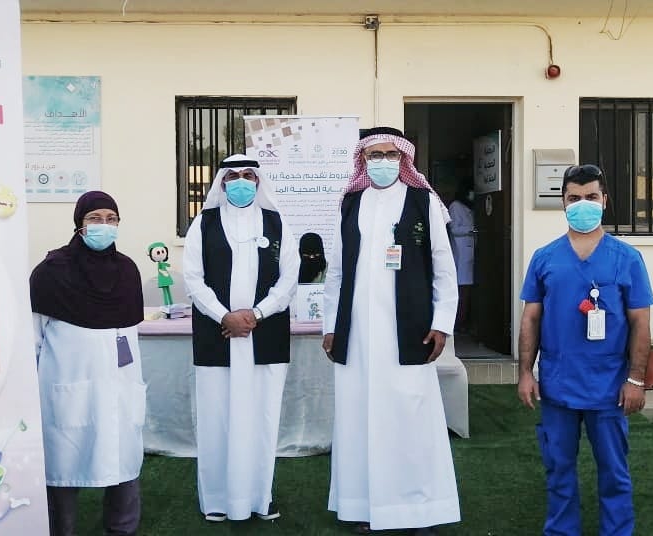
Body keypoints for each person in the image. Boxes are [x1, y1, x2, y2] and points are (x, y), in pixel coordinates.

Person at [321, 127, 460, 535]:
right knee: (359, 417)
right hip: (357, 335)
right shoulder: (351, 203)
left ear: (404, 159)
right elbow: (336, 272)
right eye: (374, 155)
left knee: (411, 417)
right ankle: (363, 507)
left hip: (409, 330)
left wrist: (441, 323)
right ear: (362, 161)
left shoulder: (423, 201)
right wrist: (331, 326)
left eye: (390, 154)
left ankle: (419, 510)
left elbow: (443, 268)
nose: (382, 162)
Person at [516, 164, 653, 536]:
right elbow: (531, 318)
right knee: (559, 470)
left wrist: (635, 380)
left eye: (591, 197)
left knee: (614, 471)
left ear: (604, 200)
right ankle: (562, 531)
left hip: (609, 387)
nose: (583, 205)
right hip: (558, 385)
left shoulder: (626, 258)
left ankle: (617, 531)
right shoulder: (545, 257)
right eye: (574, 198)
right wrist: (526, 373)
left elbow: (641, 324)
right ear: (563, 203)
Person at [183, 154, 299, 523]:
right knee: (216, 418)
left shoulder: (277, 222)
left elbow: (289, 278)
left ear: (259, 181)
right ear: (221, 182)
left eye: (249, 175)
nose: (241, 181)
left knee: (262, 418)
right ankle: (218, 500)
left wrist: (257, 314)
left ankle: (259, 498)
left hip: (265, 334)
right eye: (233, 175)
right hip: (217, 333)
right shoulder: (204, 223)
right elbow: (193, 278)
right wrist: (225, 316)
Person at [30, 191, 147, 536]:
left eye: (112, 219)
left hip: (121, 386)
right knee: (64, 467)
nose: (104, 226)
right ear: (79, 224)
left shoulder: (127, 270)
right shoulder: (50, 273)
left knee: (123, 461)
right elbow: (33, 337)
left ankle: (122, 530)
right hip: (68, 387)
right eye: (95, 218)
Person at [440, 183, 475, 332]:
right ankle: (458, 323)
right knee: (462, 290)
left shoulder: (468, 207)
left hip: (468, 252)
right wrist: (472, 229)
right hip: (461, 254)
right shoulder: (455, 206)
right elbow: (454, 229)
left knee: (467, 289)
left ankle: (463, 322)